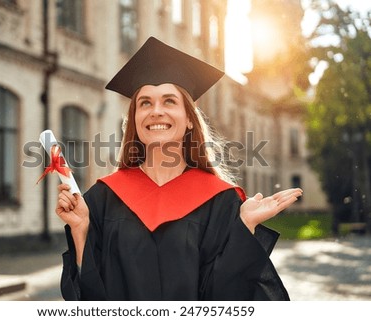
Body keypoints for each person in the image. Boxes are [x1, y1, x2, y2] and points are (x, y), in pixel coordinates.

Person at [55, 37, 302, 300]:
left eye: (169, 101)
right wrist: (81, 231)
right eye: (145, 103)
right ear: (135, 120)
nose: (156, 111)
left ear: (189, 121)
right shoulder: (102, 199)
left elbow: (225, 299)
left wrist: (244, 227)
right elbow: (89, 301)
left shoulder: (221, 201)